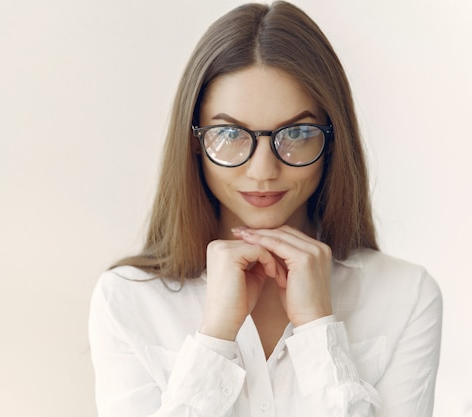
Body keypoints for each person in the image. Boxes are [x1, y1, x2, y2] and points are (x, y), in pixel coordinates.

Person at [88, 2, 442, 416]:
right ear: (194, 143)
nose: (263, 170)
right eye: (230, 134)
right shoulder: (127, 300)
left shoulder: (406, 296)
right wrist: (216, 336)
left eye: (296, 133)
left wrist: (317, 330)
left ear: (332, 141)